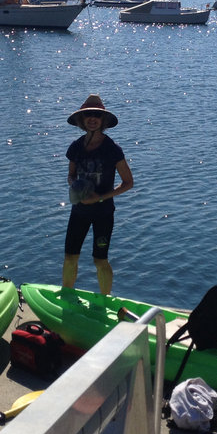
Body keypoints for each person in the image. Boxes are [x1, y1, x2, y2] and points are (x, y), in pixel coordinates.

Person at [63, 94, 134, 295]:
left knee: (100, 260)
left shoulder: (112, 149)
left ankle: (105, 299)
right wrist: (76, 186)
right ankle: (67, 295)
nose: (92, 119)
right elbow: (70, 175)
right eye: (88, 115)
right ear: (82, 120)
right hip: (79, 212)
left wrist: (99, 197)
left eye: (96, 115)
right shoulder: (76, 147)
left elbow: (128, 182)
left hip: (103, 213)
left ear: (103, 121)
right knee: (70, 257)